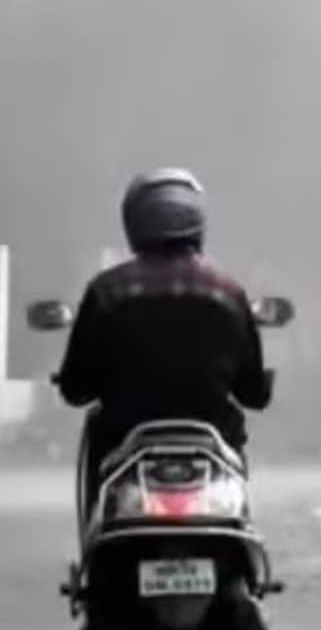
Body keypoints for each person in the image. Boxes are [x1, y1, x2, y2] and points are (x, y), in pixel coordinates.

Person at [56, 170, 273, 522]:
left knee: (98, 432)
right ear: (197, 222)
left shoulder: (106, 291)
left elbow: (75, 389)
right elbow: (254, 395)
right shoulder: (228, 291)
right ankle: (243, 537)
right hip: (214, 437)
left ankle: (96, 543)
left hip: (122, 437)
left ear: (134, 223)